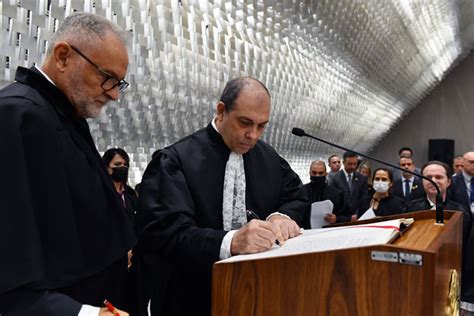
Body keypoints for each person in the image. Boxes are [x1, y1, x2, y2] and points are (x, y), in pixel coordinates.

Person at [136, 77, 308, 316]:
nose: (253, 135)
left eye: (262, 126)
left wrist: (280, 216)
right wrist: (230, 242)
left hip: (260, 292)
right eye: (245, 122)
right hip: (191, 299)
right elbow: (166, 232)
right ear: (221, 111)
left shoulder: (268, 158)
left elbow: (296, 196)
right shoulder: (175, 161)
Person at [0, 13, 136, 315]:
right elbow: (13, 270)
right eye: (107, 78)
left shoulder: (61, 113)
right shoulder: (16, 117)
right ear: (63, 57)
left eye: (119, 83)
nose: (114, 95)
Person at [402, 161, 472, 315]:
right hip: (415, 280)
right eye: (428, 177)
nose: (434, 180)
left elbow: (468, 255)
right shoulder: (409, 210)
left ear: (449, 181)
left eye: (439, 177)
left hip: (451, 281)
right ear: (422, 181)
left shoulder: (461, 213)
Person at [448, 152, 474, 313]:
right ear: (462, 163)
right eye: (471, 162)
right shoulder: (453, 182)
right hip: (461, 232)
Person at [302, 160, 350, 227]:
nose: (317, 175)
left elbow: (347, 216)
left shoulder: (336, 194)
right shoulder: (301, 192)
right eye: (314, 173)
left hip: (329, 232)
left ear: (326, 174)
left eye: (320, 173)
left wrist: (336, 219)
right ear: (310, 173)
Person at [328, 151, 370, 220]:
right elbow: (334, 202)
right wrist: (346, 218)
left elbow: (364, 199)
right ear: (344, 162)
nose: (353, 166)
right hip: (341, 219)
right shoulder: (335, 179)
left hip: (359, 218)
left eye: (355, 164)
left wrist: (358, 215)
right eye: (350, 164)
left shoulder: (362, 179)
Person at [102, 148, 138, 221]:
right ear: (106, 167)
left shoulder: (131, 194)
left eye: (125, 165)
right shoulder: (99, 192)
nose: (122, 167)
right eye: (117, 164)